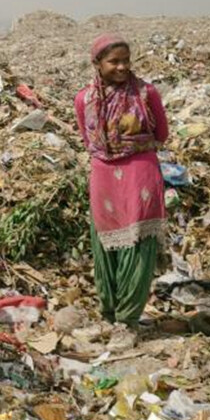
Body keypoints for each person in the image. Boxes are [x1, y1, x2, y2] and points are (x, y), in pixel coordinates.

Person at [74, 34, 169, 333]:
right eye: (114, 61)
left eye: (126, 61)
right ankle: (109, 314)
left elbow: (162, 133)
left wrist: (132, 144)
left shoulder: (146, 93)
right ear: (97, 64)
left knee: (138, 243)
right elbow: (88, 139)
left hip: (140, 172)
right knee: (106, 244)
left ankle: (127, 322)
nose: (122, 67)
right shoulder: (84, 99)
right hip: (103, 175)